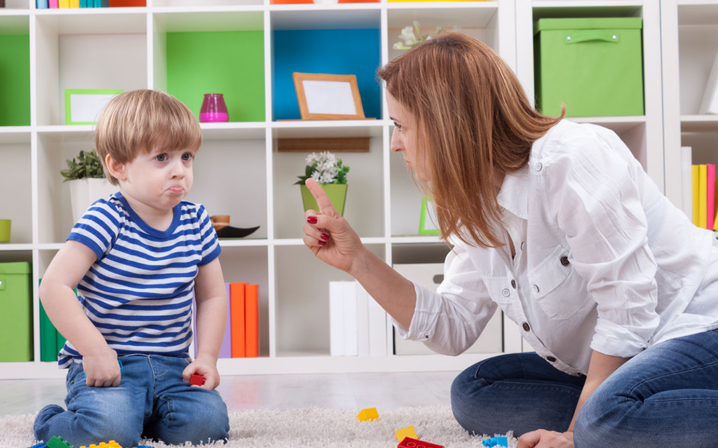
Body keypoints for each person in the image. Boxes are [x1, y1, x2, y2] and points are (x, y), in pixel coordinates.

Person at [302, 32, 718, 448]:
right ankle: (622, 412)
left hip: (696, 326)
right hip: (632, 353)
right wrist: (357, 260)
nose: (395, 144)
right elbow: (454, 326)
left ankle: (607, 419)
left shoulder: (572, 159)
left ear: (446, 123)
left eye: (400, 126)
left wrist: (574, 435)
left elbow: (628, 311)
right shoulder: (476, 202)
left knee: (600, 425)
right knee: (475, 391)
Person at [34, 90, 230, 447]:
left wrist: (207, 357)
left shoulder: (197, 221)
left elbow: (214, 295)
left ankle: (140, 417)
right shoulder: (105, 218)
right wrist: (94, 351)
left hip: (173, 367)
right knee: (107, 431)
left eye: (187, 157)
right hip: (110, 367)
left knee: (208, 425)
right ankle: (52, 422)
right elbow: (54, 285)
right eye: (162, 157)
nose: (179, 170)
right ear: (117, 166)